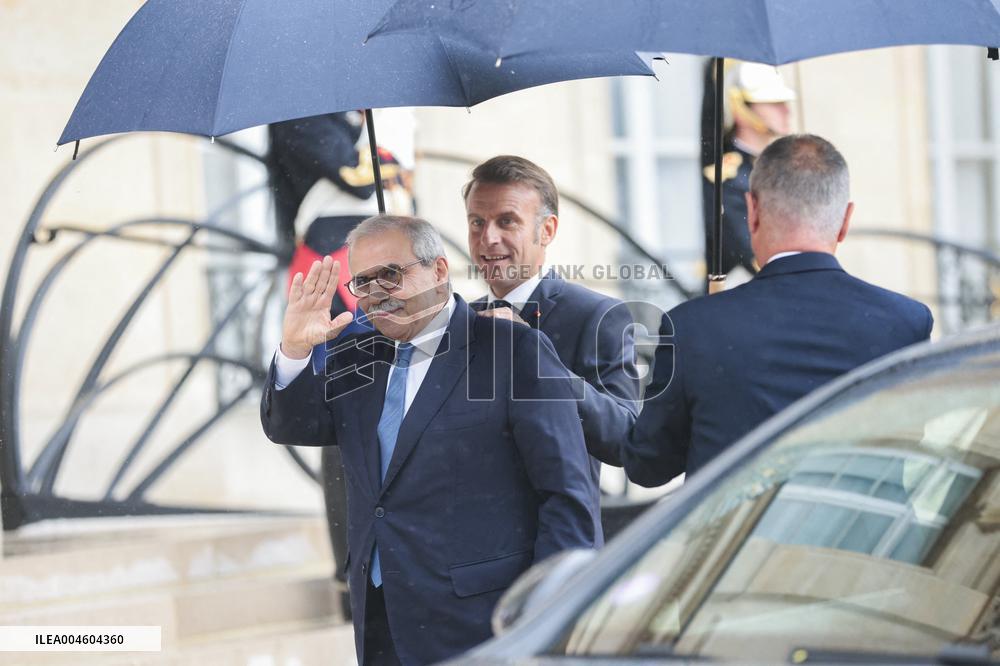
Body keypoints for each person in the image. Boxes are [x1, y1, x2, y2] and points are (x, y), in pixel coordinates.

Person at [260, 215, 600, 665]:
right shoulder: (356, 356)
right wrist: (295, 350)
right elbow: (291, 425)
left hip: (483, 624)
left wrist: (548, 619)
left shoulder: (511, 350)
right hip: (380, 617)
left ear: (438, 271)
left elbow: (567, 496)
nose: (377, 291)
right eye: (363, 282)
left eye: (391, 274)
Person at [624, 134, 934, 487]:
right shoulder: (907, 323)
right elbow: (912, 446)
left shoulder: (692, 326)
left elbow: (648, 466)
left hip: (741, 540)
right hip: (866, 537)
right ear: (846, 220)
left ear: (752, 212)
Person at [267, 111, 414, 618]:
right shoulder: (305, 105)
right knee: (345, 414)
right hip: (335, 264)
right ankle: (352, 573)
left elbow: (399, 186)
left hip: (393, 260)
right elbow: (351, 175)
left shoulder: (377, 112)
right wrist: (387, 153)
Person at [463, 155, 640, 478]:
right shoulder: (459, 321)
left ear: (547, 230)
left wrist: (532, 353)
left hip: (552, 524)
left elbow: (626, 438)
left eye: (506, 221)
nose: (487, 238)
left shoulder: (596, 315)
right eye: (477, 222)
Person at [701, 60, 796, 284]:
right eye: (773, 102)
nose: (785, 110)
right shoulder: (727, 178)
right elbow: (754, 254)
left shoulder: (784, 169)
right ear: (740, 109)